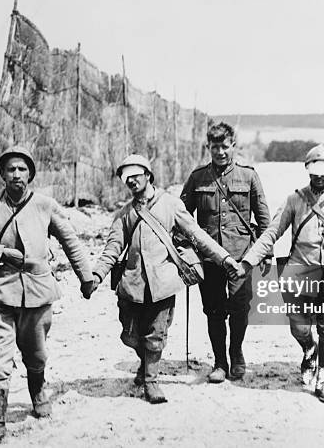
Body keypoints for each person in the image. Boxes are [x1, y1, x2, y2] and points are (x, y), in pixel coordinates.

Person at [0, 146, 95, 448]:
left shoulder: (45, 205)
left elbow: (70, 240)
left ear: (31, 174)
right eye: (11, 169)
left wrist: (86, 277)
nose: (16, 174)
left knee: (36, 354)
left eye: (22, 169)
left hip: (37, 294)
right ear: (3, 174)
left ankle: (38, 392)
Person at [86, 154, 241, 404]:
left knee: (156, 335)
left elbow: (196, 235)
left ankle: (151, 381)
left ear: (148, 175)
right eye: (127, 177)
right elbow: (112, 248)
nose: (131, 180)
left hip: (163, 282)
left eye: (136, 174)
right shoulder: (124, 214)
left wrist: (224, 258)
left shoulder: (170, 204)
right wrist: (96, 275)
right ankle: (146, 361)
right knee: (130, 336)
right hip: (133, 283)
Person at [238, 144, 324, 403]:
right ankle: (308, 350)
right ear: (307, 171)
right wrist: (249, 261)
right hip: (299, 273)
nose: (318, 177)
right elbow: (272, 233)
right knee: (299, 327)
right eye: (313, 171)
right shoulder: (295, 200)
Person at [180, 122, 271, 383]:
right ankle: (220, 361)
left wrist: (267, 253)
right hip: (209, 258)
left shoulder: (249, 176)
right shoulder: (198, 178)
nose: (220, 152)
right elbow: (182, 216)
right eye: (214, 147)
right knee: (214, 311)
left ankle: (236, 353)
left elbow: (264, 219)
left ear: (234, 146)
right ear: (208, 147)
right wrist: (184, 249)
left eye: (225, 146)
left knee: (240, 308)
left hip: (241, 256)